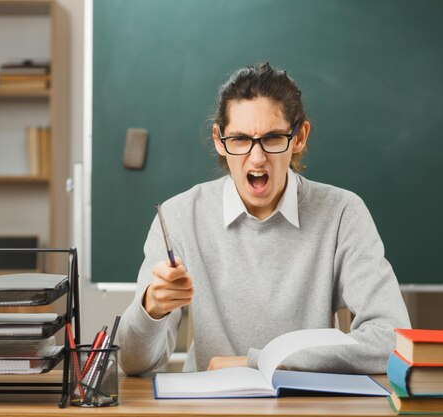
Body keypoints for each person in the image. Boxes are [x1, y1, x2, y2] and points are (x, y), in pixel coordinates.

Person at [117, 62, 411, 375]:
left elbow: (391, 340)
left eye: (272, 138)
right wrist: (152, 308)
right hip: (210, 408)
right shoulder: (180, 216)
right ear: (219, 140)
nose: (257, 158)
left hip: (308, 408)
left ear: (299, 138)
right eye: (240, 139)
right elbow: (132, 364)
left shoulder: (342, 213)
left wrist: (258, 361)